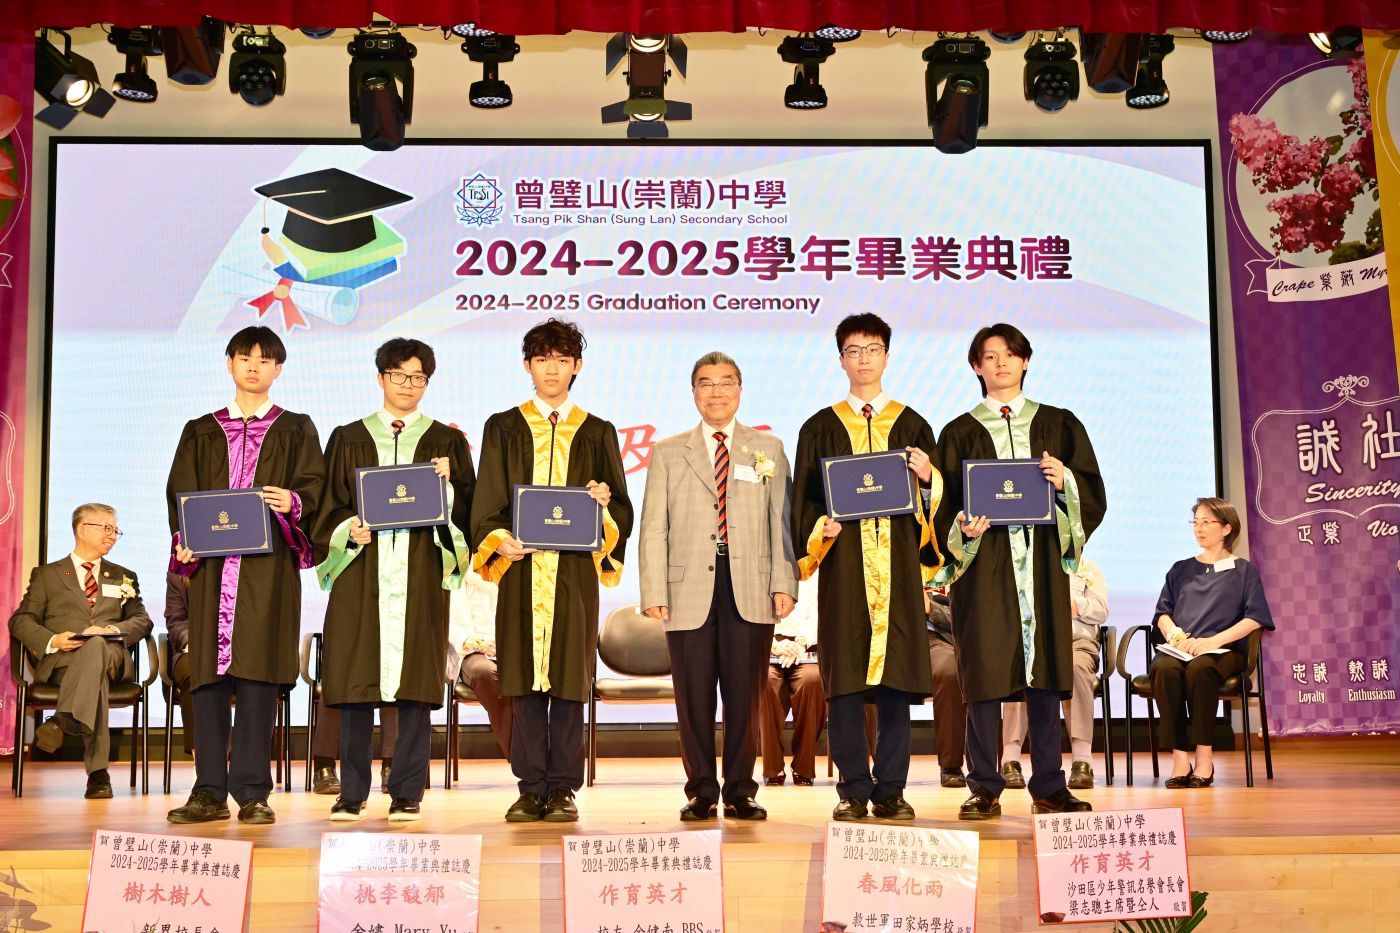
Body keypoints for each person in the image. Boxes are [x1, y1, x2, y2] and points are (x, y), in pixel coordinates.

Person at [934, 323, 1106, 821]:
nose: (1001, 363)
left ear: (1026, 360)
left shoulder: (1059, 424)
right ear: (976, 367)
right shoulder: (958, 432)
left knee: (1044, 676)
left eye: (1010, 354)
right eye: (990, 356)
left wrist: (1064, 481)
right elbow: (942, 506)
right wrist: (962, 527)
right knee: (984, 676)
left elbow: (1091, 493)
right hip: (984, 569)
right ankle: (984, 786)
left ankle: (1050, 785)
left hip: (1041, 569)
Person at [471, 318, 632, 823]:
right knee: (521, 681)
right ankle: (529, 787)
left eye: (562, 359)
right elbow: (487, 502)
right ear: (527, 365)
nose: (552, 369)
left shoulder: (597, 431)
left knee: (567, 682)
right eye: (542, 359)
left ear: (577, 365)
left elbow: (621, 510)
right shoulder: (503, 426)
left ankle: (562, 788)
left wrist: (602, 506)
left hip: (572, 579)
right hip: (522, 574)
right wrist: (500, 540)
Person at [165, 325, 325, 825]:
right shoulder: (200, 429)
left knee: (258, 683)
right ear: (229, 363)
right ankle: (208, 792)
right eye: (245, 357)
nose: (254, 367)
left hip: (267, 574)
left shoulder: (296, 428)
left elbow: (316, 491)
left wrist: (293, 501)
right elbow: (180, 495)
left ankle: (253, 793)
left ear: (278, 369)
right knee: (209, 684)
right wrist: (184, 538)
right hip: (213, 574)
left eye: (265, 359)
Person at [314, 338, 474, 822]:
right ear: (381, 377)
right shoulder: (347, 437)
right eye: (399, 375)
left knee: (415, 690)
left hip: (420, 573)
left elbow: (472, 510)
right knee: (354, 686)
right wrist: (348, 529)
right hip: (361, 574)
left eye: (418, 377)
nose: (408, 385)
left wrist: (450, 485)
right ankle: (352, 792)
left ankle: (407, 791)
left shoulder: (447, 442)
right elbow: (327, 506)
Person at [791, 313, 942, 822]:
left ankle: (892, 790)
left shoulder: (912, 424)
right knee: (846, 686)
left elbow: (938, 507)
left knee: (896, 685)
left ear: (886, 357)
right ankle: (853, 789)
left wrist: (928, 478)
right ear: (841, 360)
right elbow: (803, 501)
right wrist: (822, 529)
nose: (863, 359)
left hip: (897, 573)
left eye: (872, 350)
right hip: (846, 574)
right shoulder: (820, 427)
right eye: (853, 351)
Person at [640, 351, 798, 821]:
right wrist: (654, 590)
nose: (716, 392)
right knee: (693, 698)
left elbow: (781, 522)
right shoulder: (669, 451)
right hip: (686, 588)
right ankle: (701, 791)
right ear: (693, 393)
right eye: (706, 384)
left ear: (740, 390)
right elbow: (653, 526)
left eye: (726, 382)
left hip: (750, 585)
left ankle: (741, 790)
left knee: (745, 696)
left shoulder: (767, 449)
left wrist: (783, 580)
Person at [8, 504, 152, 799]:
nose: (113, 535)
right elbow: (20, 620)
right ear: (82, 529)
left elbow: (142, 620)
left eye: (116, 530)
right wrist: (53, 640)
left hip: (112, 658)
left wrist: (110, 630)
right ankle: (98, 775)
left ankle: (61, 721)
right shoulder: (47, 575)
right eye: (106, 528)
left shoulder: (123, 576)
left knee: (97, 644)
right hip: (64, 662)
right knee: (93, 676)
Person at [1152, 497, 1274, 788]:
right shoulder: (1180, 569)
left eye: (1207, 522)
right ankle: (1180, 758)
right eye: (1196, 522)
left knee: (1201, 669)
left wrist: (1212, 642)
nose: (1199, 528)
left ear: (1227, 528)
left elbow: (1255, 618)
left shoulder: (1243, 571)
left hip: (1223, 650)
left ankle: (1204, 757)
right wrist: (1175, 636)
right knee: (1164, 669)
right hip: (1182, 648)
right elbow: (1162, 614)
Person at [1002, 557, 1108, 790]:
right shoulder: (1027, 563)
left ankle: (1082, 761)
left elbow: (1101, 611)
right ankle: (1010, 760)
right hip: (1035, 642)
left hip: (1076, 643)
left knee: (1076, 669)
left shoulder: (1087, 567)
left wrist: (1070, 604)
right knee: (1021, 671)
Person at [759, 572, 824, 788]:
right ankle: (772, 767)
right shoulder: (763, 566)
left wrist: (800, 644)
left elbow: (821, 611)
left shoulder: (815, 565)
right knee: (765, 682)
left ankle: (804, 766)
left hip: (806, 647)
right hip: (768, 644)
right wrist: (774, 645)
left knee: (812, 681)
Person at [447, 565, 512, 759]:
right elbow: (448, 618)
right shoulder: (457, 567)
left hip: (511, 649)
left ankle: (532, 757)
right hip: (471, 651)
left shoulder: (511, 566)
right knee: (486, 673)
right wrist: (475, 642)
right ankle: (520, 756)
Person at [924, 587, 968, 788]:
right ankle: (879, 772)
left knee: (950, 672)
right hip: (894, 638)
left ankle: (951, 765)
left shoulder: (956, 571)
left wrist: (930, 609)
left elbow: (969, 616)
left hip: (939, 640)